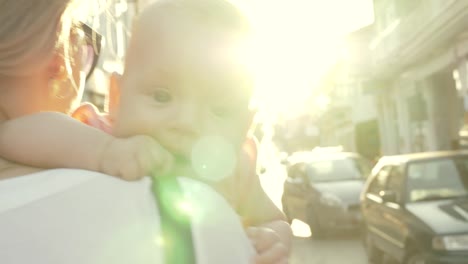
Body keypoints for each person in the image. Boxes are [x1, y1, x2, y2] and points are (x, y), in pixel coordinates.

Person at [1, 0, 292, 263]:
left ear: (245, 125)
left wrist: (274, 238)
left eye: (219, 110)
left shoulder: (234, 168)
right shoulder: (101, 135)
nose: (187, 122)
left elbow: (275, 219)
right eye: (162, 96)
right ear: (116, 98)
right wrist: (104, 152)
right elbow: (14, 135)